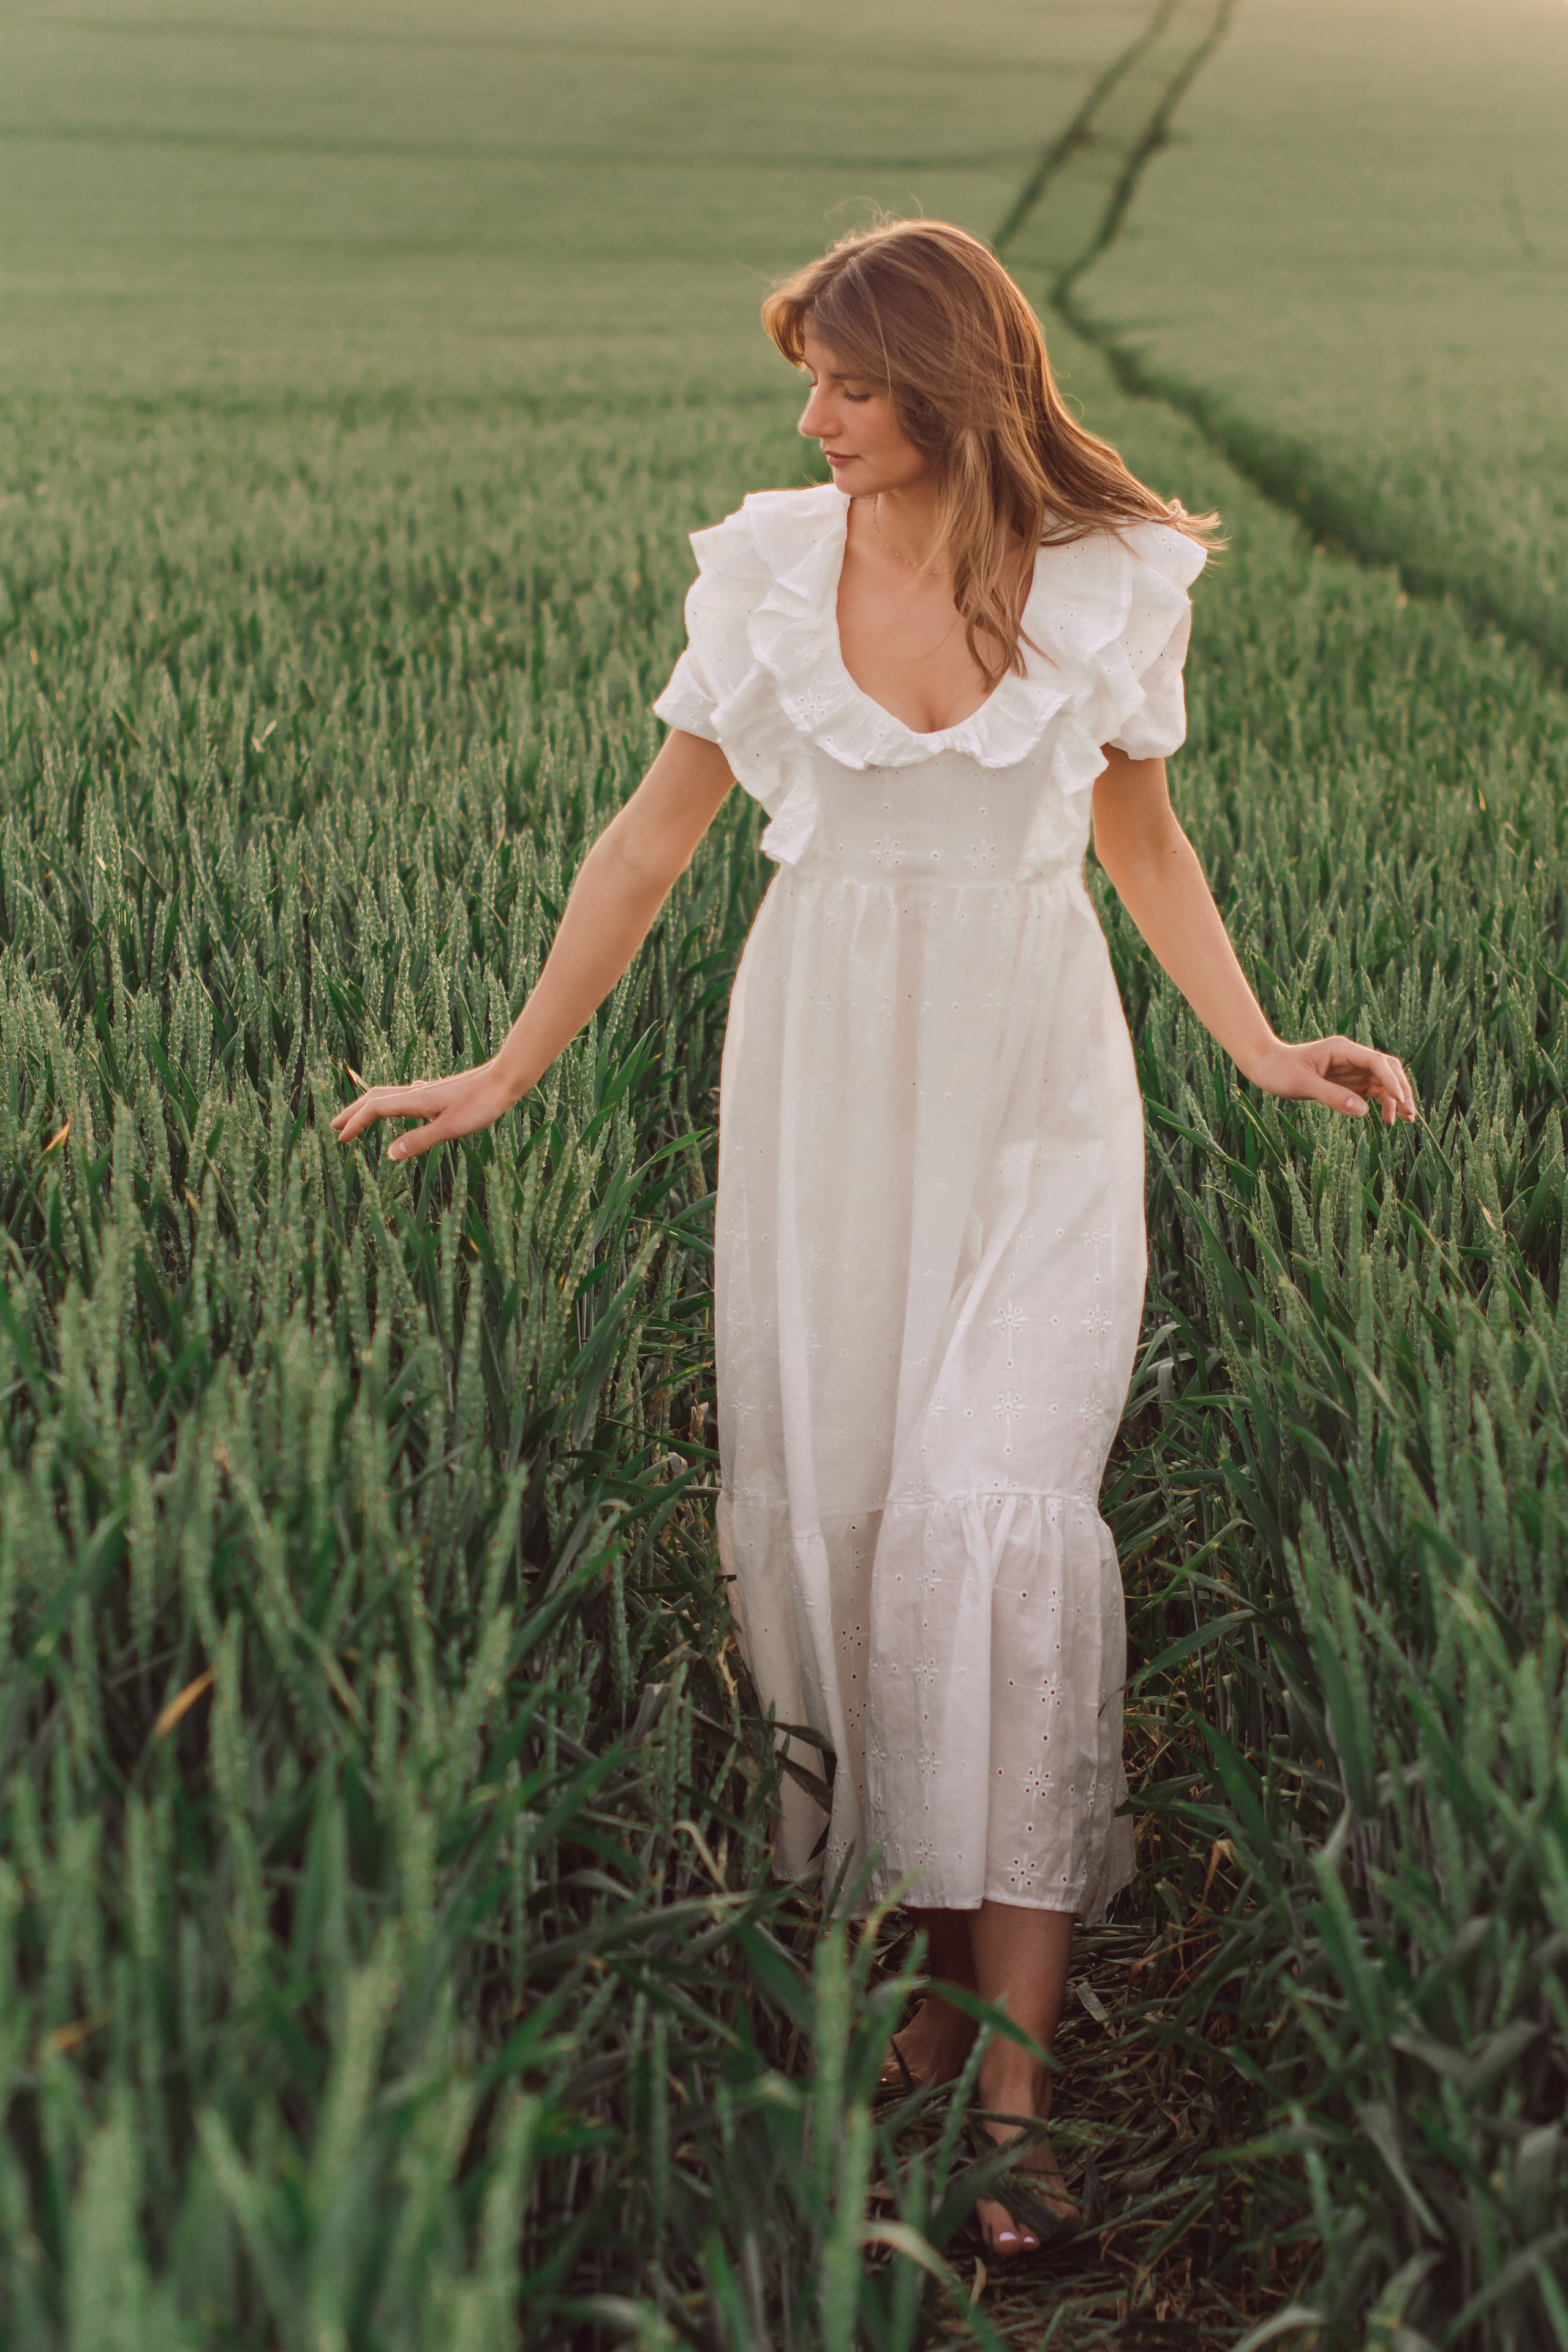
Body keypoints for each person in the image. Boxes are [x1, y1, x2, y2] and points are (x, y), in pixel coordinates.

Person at [332, 220, 1415, 2256]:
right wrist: (504, 1068)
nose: (815, 419)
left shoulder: (1109, 580)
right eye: (809, 383)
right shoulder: (767, 574)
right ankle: (923, 1996)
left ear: (950, 384)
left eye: (848, 383)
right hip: (826, 1090)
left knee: (993, 1529)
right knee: (847, 1546)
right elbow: (649, 843)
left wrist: (1263, 1047)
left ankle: (1015, 2102)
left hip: (1038, 1099)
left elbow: (1140, 837)